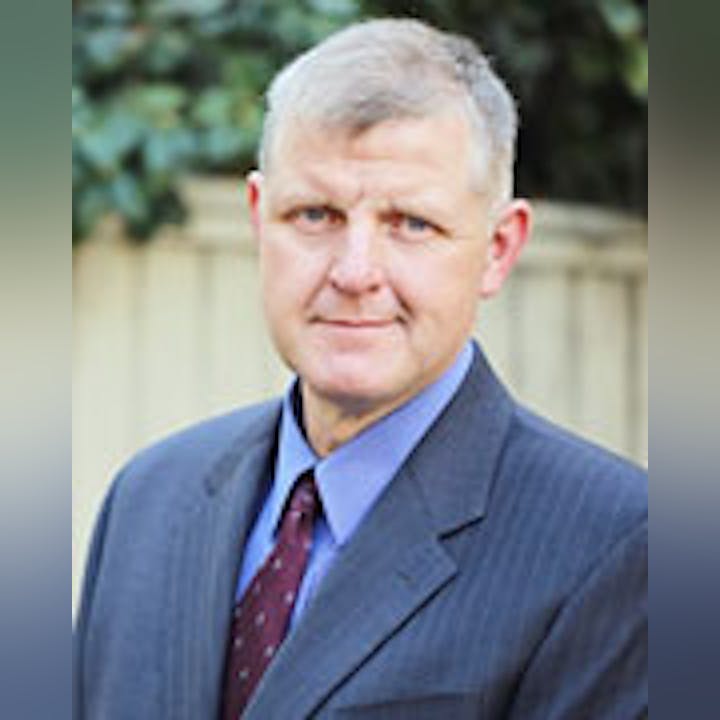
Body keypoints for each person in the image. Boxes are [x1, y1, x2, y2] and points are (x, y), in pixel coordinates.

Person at [73, 18, 647, 720]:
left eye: (411, 224)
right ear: (260, 221)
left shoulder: (621, 546)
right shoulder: (147, 499)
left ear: (499, 248)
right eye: (315, 215)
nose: (354, 272)